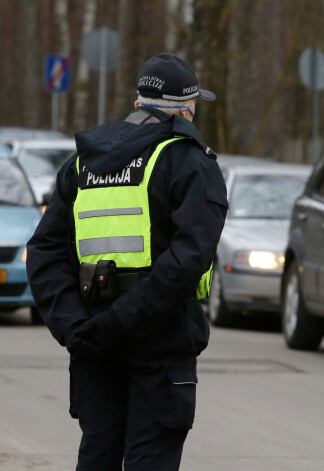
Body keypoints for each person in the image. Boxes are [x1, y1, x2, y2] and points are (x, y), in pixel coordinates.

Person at [26, 53, 228, 471]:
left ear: (138, 104)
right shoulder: (189, 161)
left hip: (94, 343)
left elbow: (44, 251)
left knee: (96, 459)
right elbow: (188, 259)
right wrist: (120, 321)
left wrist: (75, 327)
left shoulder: (83, 161)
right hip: (160, 343)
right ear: (186, 108)